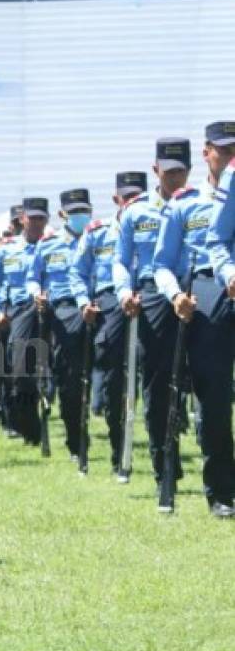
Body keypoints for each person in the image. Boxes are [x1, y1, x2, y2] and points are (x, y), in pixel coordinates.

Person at [152, 122, 235, 517]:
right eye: (224, 149)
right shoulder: (185, 203)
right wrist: (174, 296)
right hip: (206, 292)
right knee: (214, 397)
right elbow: (162, 264)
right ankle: (221, 491)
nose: (231, 155)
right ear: (207, 153)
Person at [112, 139, 189, 494]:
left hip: (192, 292)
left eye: (181, 171)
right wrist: (124, 292)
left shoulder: (197, 204)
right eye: (169, 171)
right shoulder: (136, 212)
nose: (175, 177)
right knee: (157, 386)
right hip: (152, 299)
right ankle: (164, 468)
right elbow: (121, 261)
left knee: (205, 380)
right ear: (155, 170)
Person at [74, 172, 146, 480]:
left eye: (136, 196)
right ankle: (120, 455)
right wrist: (82, 302)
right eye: (125, 196)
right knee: (114, 383)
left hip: (148, 299)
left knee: (152, 374)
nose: (131, 202)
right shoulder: (97, 232)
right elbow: (76, 273)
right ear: (116, 199)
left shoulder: (154, 221)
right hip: (109, 307)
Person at [27, 189, 93, 464]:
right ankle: (76, 441)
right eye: (74, 211)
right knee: (70, 380)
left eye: (84, 211)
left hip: (97, 306)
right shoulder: (48, 245)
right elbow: (33, 277)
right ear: (62, 214)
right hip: (64, 312)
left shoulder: (100, 237)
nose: (80, 216)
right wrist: (37, 294)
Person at [0, 199, 49, 446]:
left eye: (42, 218)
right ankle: (28, 427)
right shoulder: (4, 251)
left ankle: (35, 428)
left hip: (46, 311)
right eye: (33, 218)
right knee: (14, 377)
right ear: (22, 219)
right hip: (12, 316)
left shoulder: (53, 246)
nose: (37, 223)